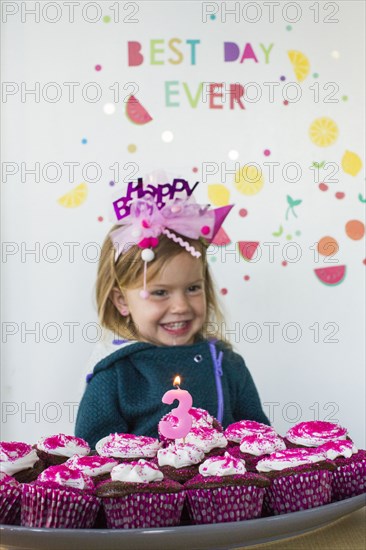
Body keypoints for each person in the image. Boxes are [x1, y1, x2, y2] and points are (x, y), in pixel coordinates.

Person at [75, 185, 270, 448]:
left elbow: (261, 444)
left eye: (192, 288)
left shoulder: (228, 364)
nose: (180, 306)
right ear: (122, 301)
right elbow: (93, 463)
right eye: (160, 293)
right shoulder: (114, 375)